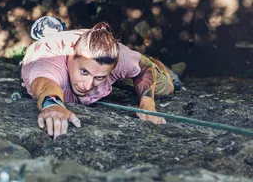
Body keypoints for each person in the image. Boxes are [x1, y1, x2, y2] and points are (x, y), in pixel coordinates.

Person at [21, 16, 181, 140]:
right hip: (57, 48)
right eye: (84, 72)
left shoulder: (120, 58)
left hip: (108, 56)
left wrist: (147, 103)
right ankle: (56, 33)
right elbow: (45, 85)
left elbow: (145, 66)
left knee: (168, 87)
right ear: (70, 54)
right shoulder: (48, 62)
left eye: (98, 77)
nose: (88, 85)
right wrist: (53, 106)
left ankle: (157, 63)